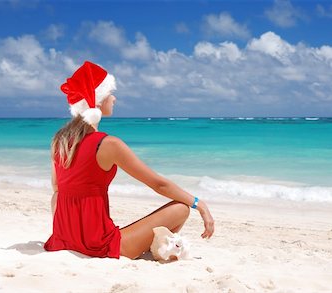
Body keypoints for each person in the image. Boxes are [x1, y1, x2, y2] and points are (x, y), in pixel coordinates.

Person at [44, 61, 214, 260]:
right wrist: (199, 203)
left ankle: (156, 247)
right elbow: (159, 184)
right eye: (110, 94)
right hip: (99, 245)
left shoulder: (60, 141)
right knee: (181, 209)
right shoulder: (108, 144)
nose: (114, 99)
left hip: (64, 240)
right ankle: (160, 250)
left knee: (60, 193)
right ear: (98, 100)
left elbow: (57, 189)